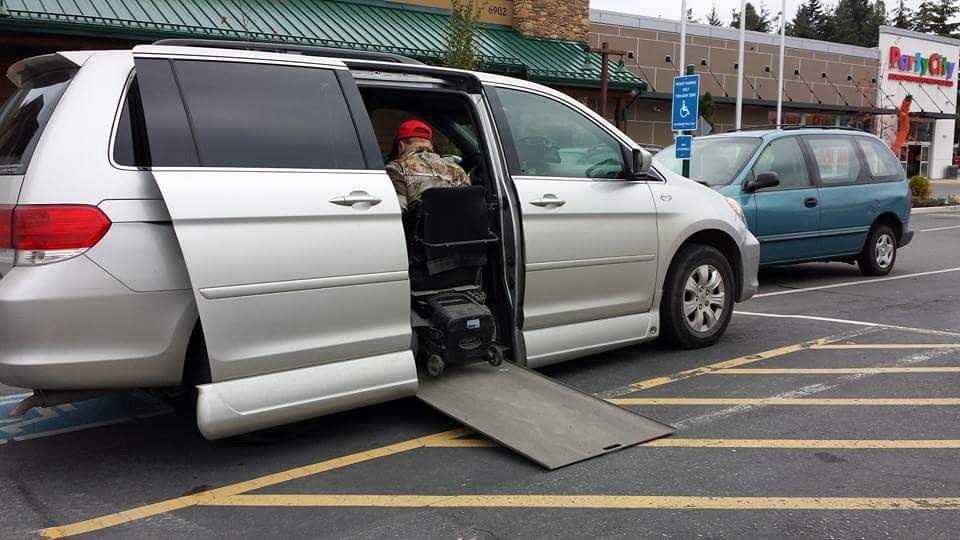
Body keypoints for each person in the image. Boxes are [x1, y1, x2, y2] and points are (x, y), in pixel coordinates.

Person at [385, 120, 469, 209]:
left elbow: (397, 210)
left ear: (401, 146)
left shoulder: (396, 168)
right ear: (431, 146)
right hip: (460, 222)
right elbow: (468, 205)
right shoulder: (457, 169)